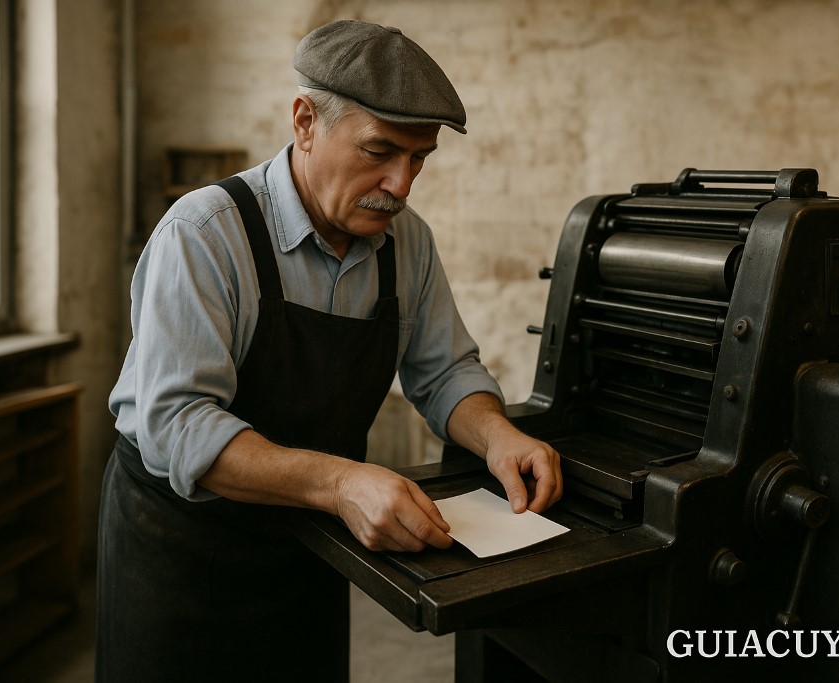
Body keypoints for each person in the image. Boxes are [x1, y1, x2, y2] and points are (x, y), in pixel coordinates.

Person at [96, 19, 562, 682]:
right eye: (380, 150)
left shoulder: (408, 244)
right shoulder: (204, 234)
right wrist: (343, 481)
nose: (402, 184)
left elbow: (445, 371)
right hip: (179, 555)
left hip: (307, 549)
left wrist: (496, 435)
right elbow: (179, 425)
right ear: (305, 120)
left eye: (419, 159)